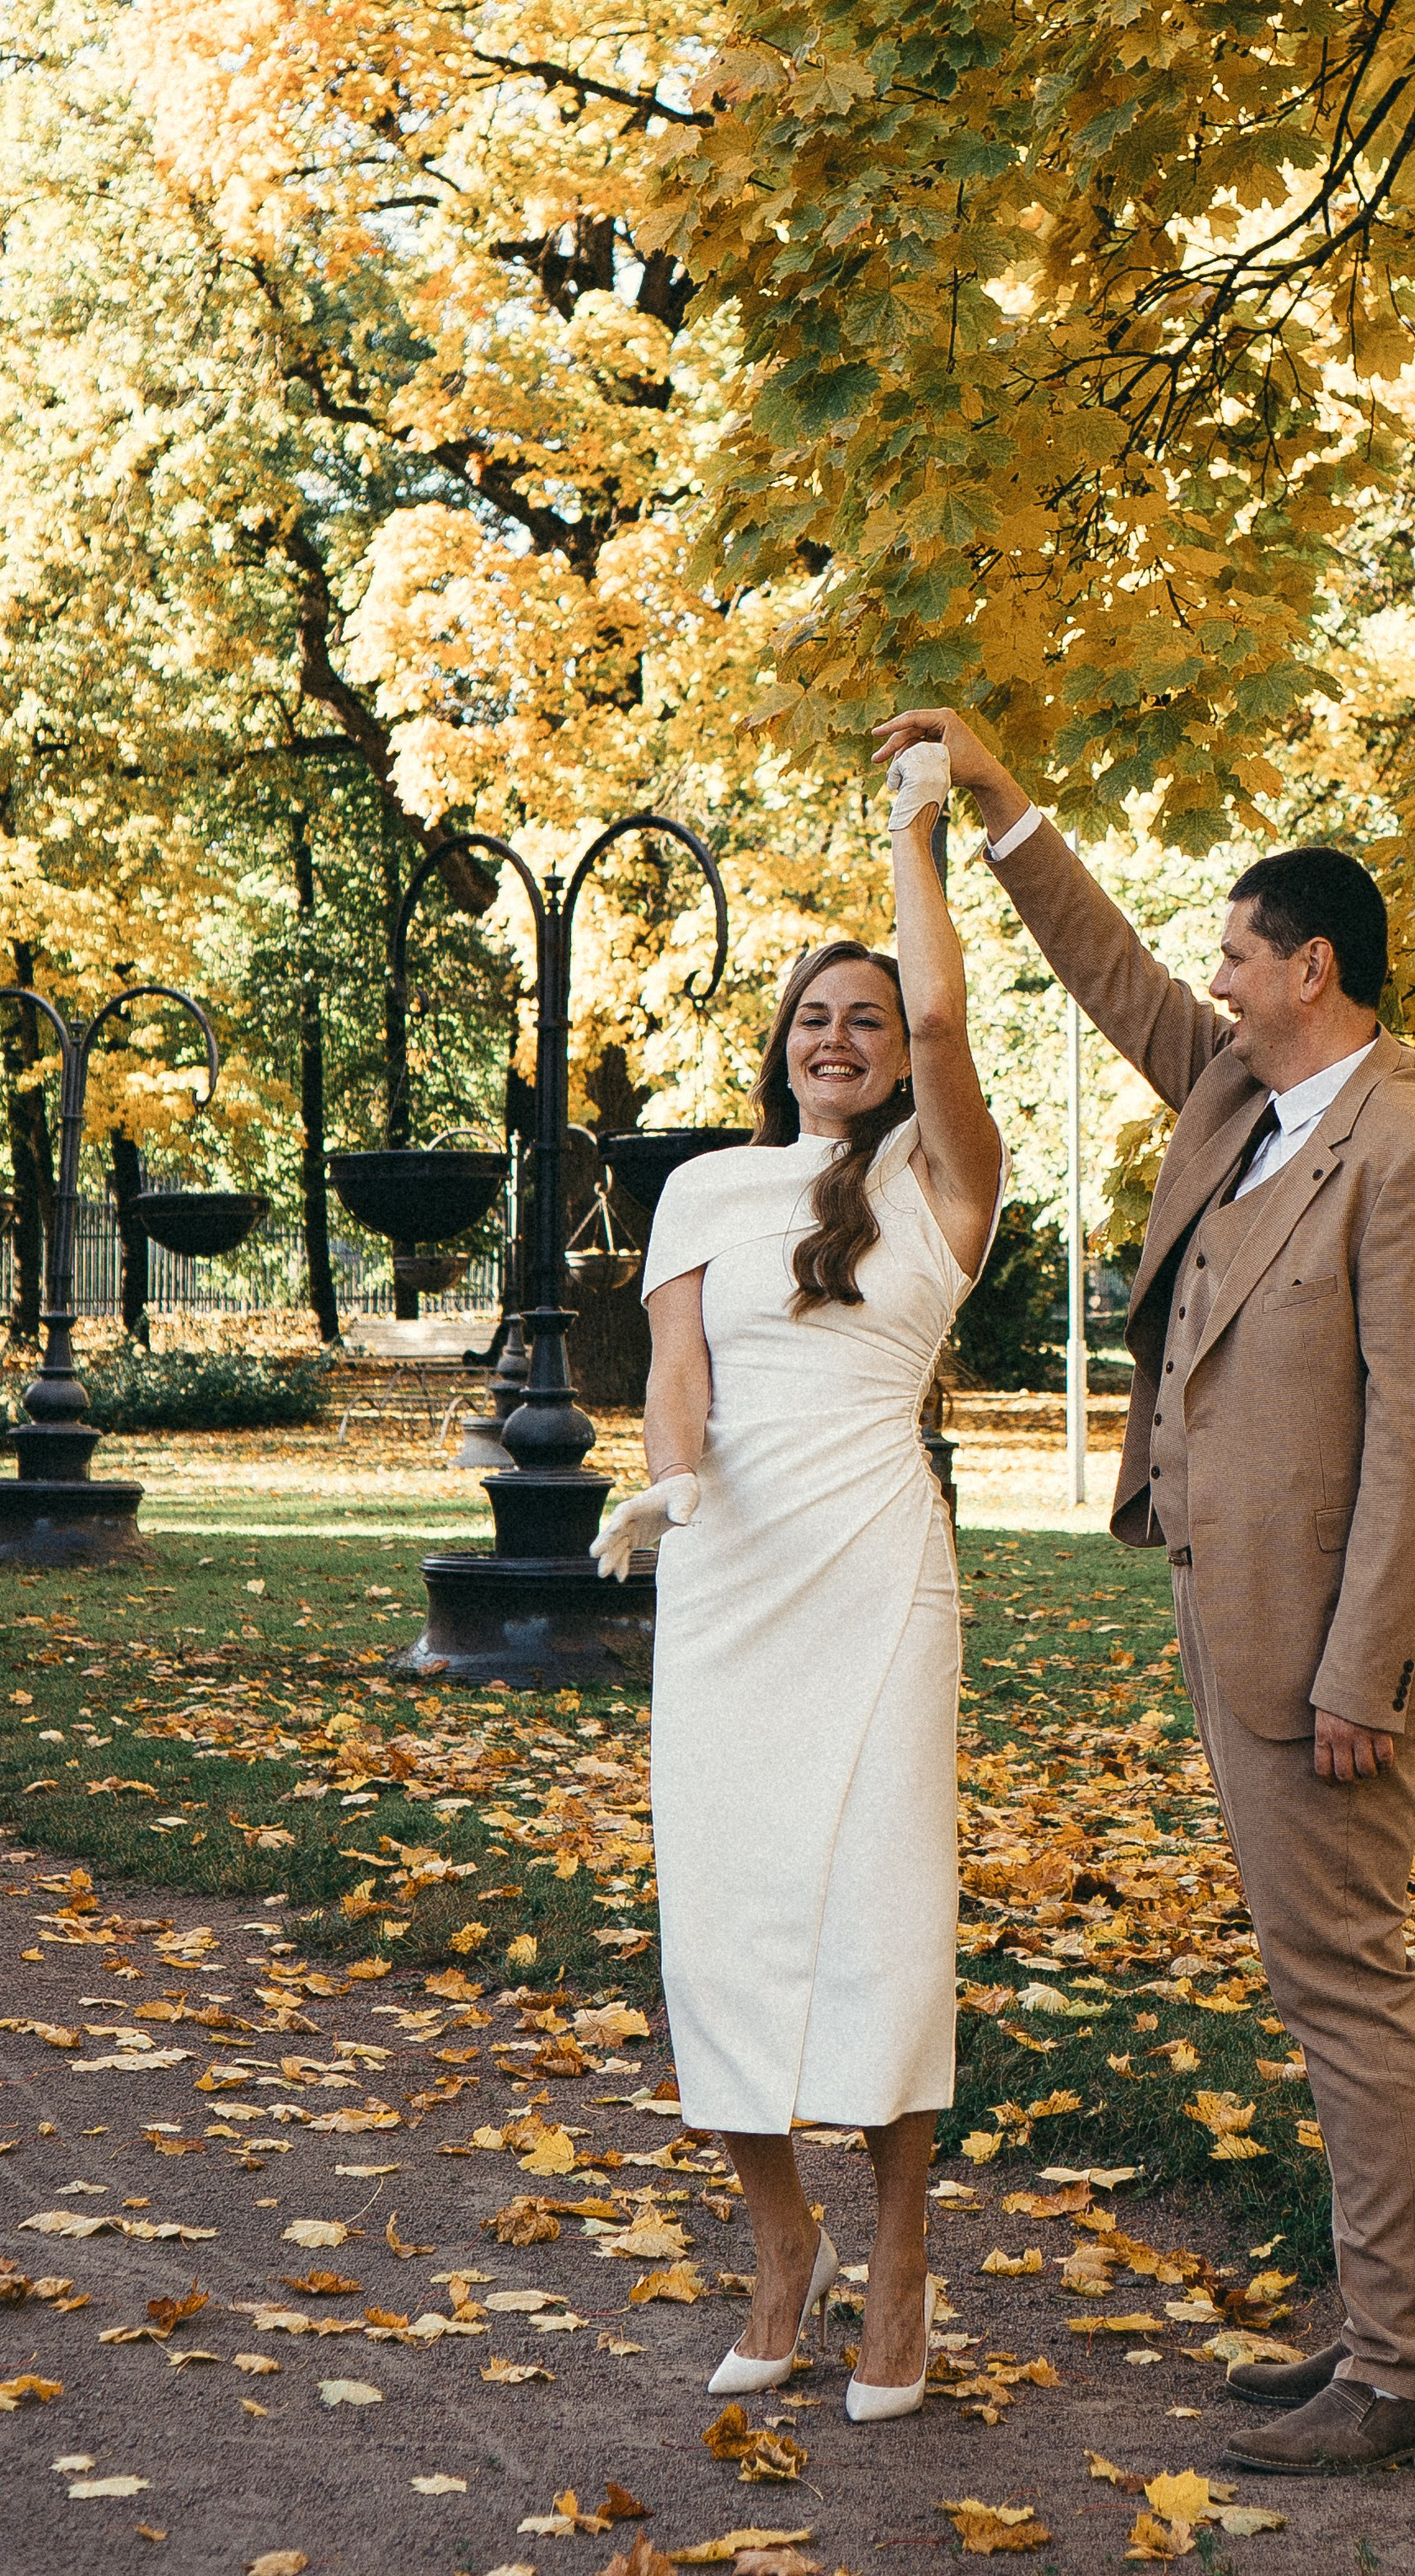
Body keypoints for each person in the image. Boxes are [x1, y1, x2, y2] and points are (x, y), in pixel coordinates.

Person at [872, 706, 1415, 2476]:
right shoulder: (1245, 1098)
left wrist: (1361, 1675)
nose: (1210, 979)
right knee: (1335, 1981)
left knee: (1341, 1985)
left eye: (1237, 951)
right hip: (1237, 1616)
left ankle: (1393, 2372)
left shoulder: (1410, 1156)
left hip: (1329, 1651)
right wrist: (995, 800)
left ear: (1310, 967)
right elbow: (1106, 974)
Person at [589, 741, 1002, 2426]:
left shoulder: (942, 1183)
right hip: (732, 1584)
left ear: (899, 1051)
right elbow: (674, 1366)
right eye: (813, 1019)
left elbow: (957, 1017)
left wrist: (918, 827)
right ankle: (781, 2249)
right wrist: (668, 1485)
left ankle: (899, 2255)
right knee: (729, 1924)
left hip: (879, 1575)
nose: (840, 1041)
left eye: (869, 1021)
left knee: (886, 1925)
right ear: (777, 1047)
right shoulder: (702, 1185)